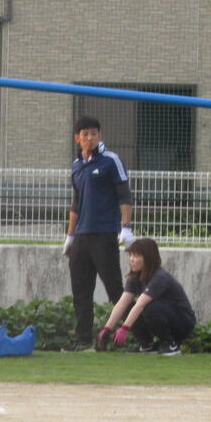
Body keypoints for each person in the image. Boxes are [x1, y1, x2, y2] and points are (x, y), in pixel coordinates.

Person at [64, 116, 134, 351]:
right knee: (81, 291)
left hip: (104, 234)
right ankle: (83, 339)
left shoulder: (111, 161)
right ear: (77, 138)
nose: (90, 138)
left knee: (115, 289)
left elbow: (125, 195)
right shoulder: (77, 165)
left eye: (94, 134)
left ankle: (141, 337)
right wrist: (70, 236)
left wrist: (126, 227)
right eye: (85, 134)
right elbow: (76, 203)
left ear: (100, 135)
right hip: (81, 237)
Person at [96, 238, 195, 356]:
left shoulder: (160, 277)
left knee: (149, 307)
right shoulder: (134, 278)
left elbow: (141, 304)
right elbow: (122, 304)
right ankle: (147, 345)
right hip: (160, 313)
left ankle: (170, 345)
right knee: (128, 306)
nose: (131, 259)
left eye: (136, 255)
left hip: (183, 322)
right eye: (130, 255)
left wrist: (124, 328)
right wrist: (107, 329)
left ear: (148, 258)